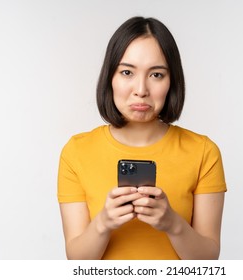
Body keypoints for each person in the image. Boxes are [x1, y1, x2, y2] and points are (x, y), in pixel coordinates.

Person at [57, 16, 227, 260]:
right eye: (127, 72)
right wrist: (103, 223)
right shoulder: (77, 151)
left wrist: (172, 223)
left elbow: (208, 260)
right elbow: (77, 261)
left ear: (172, 81)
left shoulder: (203, 151)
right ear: (110, 78)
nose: (141, 89)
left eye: (156, 75)